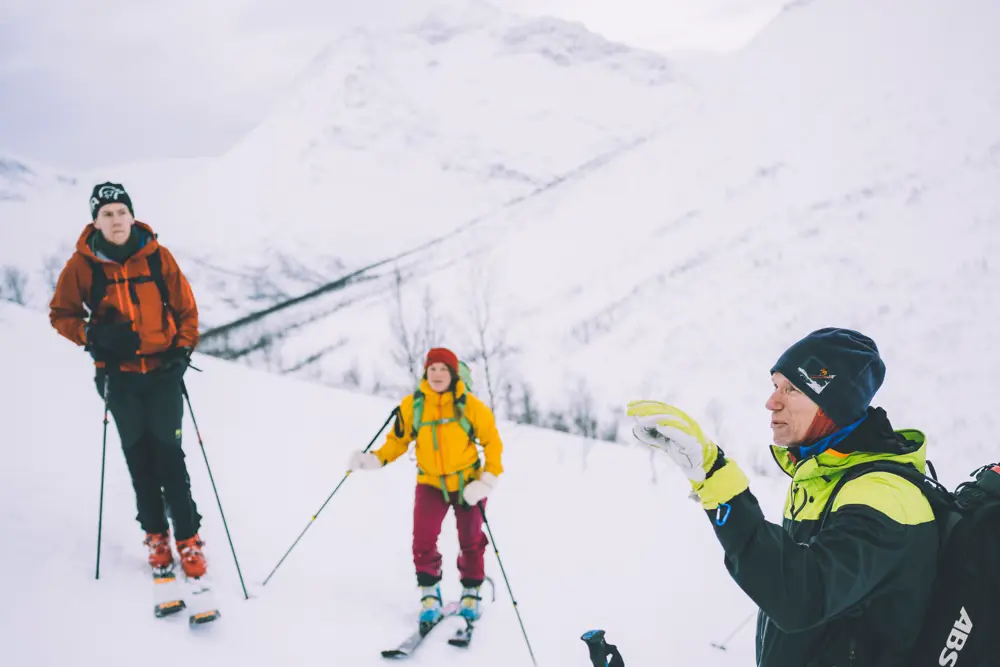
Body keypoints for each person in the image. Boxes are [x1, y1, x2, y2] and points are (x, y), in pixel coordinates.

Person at [627, 328, 937, 667]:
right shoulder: (821, 476)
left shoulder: (883, 495)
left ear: (834, 406)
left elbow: (802, 598)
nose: (772, 402)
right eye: (775, 386)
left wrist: (715, 475)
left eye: (793, 389)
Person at [49, 182, 209, 579]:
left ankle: (188, 539)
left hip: (162, 374)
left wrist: (181, 351)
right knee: (139, 459)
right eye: (107, 213)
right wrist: (92, 336)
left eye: (121, 211)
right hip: (117, 379)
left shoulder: (157, 257)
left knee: (170, 459)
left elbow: (187, 310)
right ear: (95, 221)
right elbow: (61, 314)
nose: (116, 220)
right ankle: (156, 535)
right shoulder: (82, 266)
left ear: (132, 215)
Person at [349, 347, 504, 625]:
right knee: (423, 540)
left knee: (470, 540)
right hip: (430, 482)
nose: (437, 374)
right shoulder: (414, 405)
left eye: (443, 369)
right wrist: (373, 459)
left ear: (454, 374)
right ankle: (430, 592)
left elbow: (493, 444)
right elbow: (398, 441)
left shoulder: (470, 407)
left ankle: (471, 591)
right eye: (432, 369)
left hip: (467, 483)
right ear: (425, 372)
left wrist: (485, 482)